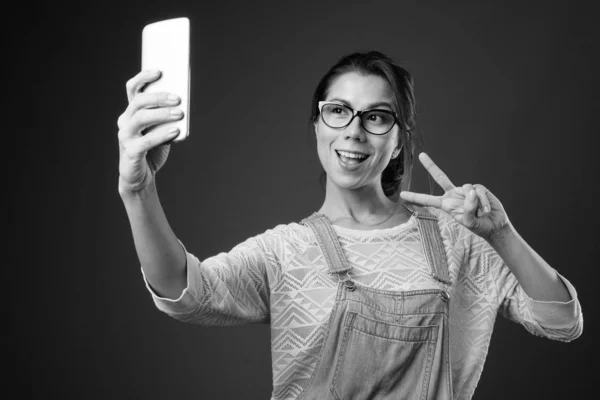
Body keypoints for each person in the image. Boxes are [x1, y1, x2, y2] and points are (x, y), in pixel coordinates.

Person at [117, 51, 583, 400]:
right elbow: (183, 292)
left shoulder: (459, 237)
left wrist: (501, 234)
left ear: (399, 141)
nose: (354, 130)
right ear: (317, 125)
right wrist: (138, 190)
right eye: (338, 111)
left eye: (377, 117)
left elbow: (563, 322)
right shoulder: (285, 250)